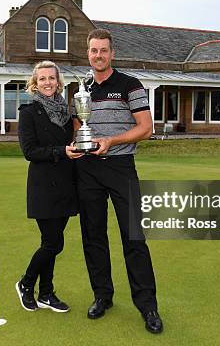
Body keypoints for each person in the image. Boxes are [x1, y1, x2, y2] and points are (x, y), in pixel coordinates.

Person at [73, 29, 163, 334]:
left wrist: (112, 140)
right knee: (93, 236)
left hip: (121, 166)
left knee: (134, 238)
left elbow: (146, 128)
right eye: (94, 50)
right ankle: (102, 296)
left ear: (112, 53)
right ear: (88, 53)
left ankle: (147, 305)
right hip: (87, 169)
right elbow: (77, 128)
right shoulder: (81, 88)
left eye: (104, 50)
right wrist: (74, 145)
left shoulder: (130, 85)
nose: (98, 55)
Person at [15, 61, 83, 313]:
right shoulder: (29, 111)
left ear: (58, 82)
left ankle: (46, 293)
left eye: (51, 78)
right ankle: (26, 283)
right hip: (43, 186)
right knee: (53, 243)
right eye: (42, 78)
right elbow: (29, 151)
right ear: (35, 82)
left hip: (65, 185)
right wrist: (61, 151)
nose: (47, 82)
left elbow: (73, 138)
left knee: (53, 240)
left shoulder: (66, 112)